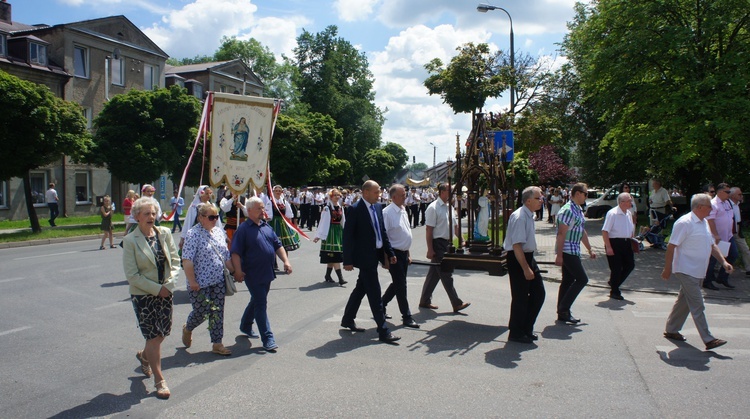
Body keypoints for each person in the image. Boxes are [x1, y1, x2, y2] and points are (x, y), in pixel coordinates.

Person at [122, 197, 180, 399]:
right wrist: (157, 289)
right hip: (144, 295)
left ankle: (144, 356)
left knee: (163, 333)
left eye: (153, 213)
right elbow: (132, 275)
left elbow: (175, 261)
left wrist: (169, 284)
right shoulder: (130, 241)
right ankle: (159, 380)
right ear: (137, 216)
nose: (151, 217)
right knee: (153, 337)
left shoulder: (164, 233)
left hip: (165, 291)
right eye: (146, 214)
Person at [662, 193, 729, 350]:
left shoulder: (704, 222)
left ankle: (671, 329)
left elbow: (712, 245)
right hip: (685, 270)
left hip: (698, 270)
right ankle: (708, 339)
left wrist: (724, 262)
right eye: (709, 206)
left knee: (683, 302)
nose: (711, 209)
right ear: (699, 207)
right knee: (698, 304)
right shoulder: (684, 223)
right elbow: (671, 246)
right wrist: (668, 268)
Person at [340, 180, 400, 344]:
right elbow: (348, 237)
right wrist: (347, 260)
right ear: (365, 192)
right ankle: (383, 330)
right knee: (374, 293)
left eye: (379, 191)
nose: (379, 194)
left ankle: (347, 319)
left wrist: (390, 252)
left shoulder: (378, 207)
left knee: (361, 288)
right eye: (375, 192)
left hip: (376, 254)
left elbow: (382, 232)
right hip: (364, 257)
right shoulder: (354, 209)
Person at [232, 197, 293, 352]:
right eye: (259, 208)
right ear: (249, 210)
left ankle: (245, 324)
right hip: (252, 273)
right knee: (261, 303)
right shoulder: (243, 229)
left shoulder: (266, 227)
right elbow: (236, 253)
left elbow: (278, 245)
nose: (263, 211)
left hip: (267, 272)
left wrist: (286, 261)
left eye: (263, 208)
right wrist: (238, 271)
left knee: (258, 300)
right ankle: (268, 338)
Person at [181, 203, 235, 356]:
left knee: (217, 311)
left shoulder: (218, 232)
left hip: (218, 280)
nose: (215, 220)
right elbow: (187, 260)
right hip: (199, 283)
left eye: (216, 217)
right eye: (211, 217)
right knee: (202, 312)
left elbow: (225, 256)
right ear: (201, 218)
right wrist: (192, 281)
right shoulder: (193, 234)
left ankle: (217, 343)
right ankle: (188, 328)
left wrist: (236, 272)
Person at [418, 182, 471, 313]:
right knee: (446, 273)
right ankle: (456, 303)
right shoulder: (433, 207)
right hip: (438, 243)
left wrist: (462, 240)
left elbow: (455, 226)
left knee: (435, 274)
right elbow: (429, 230)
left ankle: (425, 300)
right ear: (442, 192)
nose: (452, 192)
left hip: (448, 244)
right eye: (450, 190)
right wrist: (430, 249)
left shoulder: (449, 206)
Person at [504, 186, 546, 344]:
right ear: (528, 201)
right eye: (538, 198)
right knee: (520, 297)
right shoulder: (520, 217)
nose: (542, 200)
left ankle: (526, 327)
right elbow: (516, 246)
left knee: (538, 293)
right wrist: (526, 268)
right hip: (518, 258)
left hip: (528, 257)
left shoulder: (529, 215)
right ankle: (516, 332)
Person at [555, 183, 596, 324]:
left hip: (573, 250)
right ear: (577, 193)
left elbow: (581, 231)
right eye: (586, 194)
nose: (586, 196)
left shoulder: (577, 209)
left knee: (568, 280)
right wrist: (559, 255)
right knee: (582, 279)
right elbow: (561, 234)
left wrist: (590, 249)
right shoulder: (567, 210)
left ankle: (562, 312)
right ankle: (564, 309)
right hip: (567, 250)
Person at [381, 184, 419, 328]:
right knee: (401, 285)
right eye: (402, 195)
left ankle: (381, 304)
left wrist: (408, 253)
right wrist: (386, 258)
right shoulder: (387, 213)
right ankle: (407, 316)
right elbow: (384, 237)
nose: (405, 197)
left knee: (398, 283)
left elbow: (405, 232)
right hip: (393, 254)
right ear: (394, 197)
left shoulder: (403, 210)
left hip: (403, 253)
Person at [703, 183, 738, 290]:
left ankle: (722, 277)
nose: (729, 194)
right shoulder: (713, 204)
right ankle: (707, 281)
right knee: (713, 259)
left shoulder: (727, 203)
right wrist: (715, 235)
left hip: (728, 236)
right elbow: (710, 220)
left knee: (733, 255)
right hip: (716, 238)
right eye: (727, 192)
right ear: (720, 192)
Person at [602, 193, 635, 300]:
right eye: (629, 201)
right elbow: (605, 231)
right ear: (622, 202)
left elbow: (629, 227)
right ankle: (615, 291)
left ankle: (614, 283)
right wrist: (608, 247)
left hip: (626, 242)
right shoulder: (613, 214)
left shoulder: (628, 213)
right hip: (614, 242)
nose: (631, 203)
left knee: (630, 265)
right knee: (616, 268)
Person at [314, 188, 348, 286]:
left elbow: (343, 221)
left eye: (338, 195)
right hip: (330, 233)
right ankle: (340, 278)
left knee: (332, 256)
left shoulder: (340, 207)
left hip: (338, 232)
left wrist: (346, 232)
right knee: (335, 256)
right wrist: (318, 235)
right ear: (331, 197)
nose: (337, 197)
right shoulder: (327, 208)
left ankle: (327, 275)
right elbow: (323, 222)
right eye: (335, 195)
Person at [267, 185, 300, 252]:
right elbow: (268, 215)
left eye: (279, 191)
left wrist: (290, 225)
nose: (278, 192)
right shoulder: (270, 202)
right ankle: (274, 262)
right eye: (276, 191)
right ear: (273, 192)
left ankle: (285, 260)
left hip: (283, 223)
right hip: (274, 223)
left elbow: (289, 214)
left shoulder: (284, 202)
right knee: (273, 246)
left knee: (285, 246)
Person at [729, 188, 750, 276]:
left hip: (737, 228)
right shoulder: (727, 204)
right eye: (739, 194)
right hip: (728, 229)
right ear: (733, 195)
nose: (741, 196)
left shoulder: (739, 204)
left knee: (745, 249)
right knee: (724, 249)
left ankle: (748, 268)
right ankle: (718, 268)